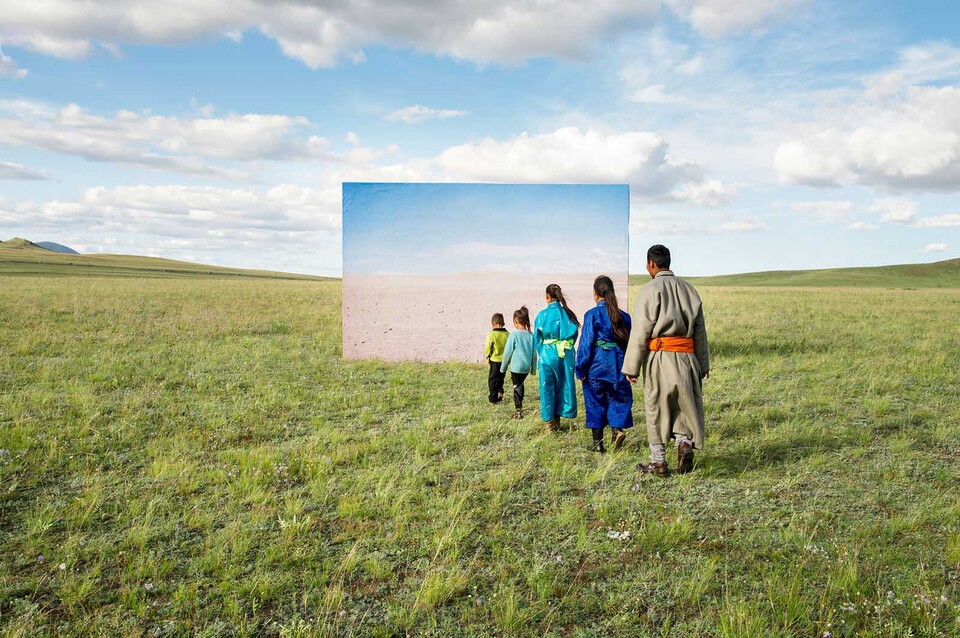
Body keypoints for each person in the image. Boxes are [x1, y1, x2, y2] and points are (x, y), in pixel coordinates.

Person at [623, 245, 710, 476]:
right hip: (687, 357)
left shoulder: (649, 290)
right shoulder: (689, 290)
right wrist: (703, 364)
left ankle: (658, 462)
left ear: (650, 264)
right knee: (684, 405)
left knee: (656, 408)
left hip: (660, 359)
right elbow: (700, 331)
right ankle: (683, 444)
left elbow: (640, 330)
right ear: (668, 262)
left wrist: (632, 366)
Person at [575, 275, 633, 453]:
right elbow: (630, 343)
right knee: (617, 398)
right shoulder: (624, 316)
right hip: (618, 363)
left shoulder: (592, 315)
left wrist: (581, 368)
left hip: (596, 365)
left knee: (595, 401)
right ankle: (616, 430)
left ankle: (597, 444)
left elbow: (586, 343)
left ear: (595, 293)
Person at [534, 284, 580, 430]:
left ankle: (550, 422)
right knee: (564, 385)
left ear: (547, 296)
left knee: (547, 386)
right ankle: (559, 418)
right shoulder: (569, 314)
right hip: (565, 355)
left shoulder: (542, 315)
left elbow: (537, 338)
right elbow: (574, 335)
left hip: (547, 354)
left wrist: (544, 352)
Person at [499, 306, 537, 419]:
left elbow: (507, 352)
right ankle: (519, 408)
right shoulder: (531, 336)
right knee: (520, 385)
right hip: (525, 368)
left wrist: (503, 367)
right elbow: (534, 354)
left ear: (516, 322)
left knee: (516, 387)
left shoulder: (514, 335)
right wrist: (533, 369)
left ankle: (518, 411)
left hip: (516, 367)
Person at [484, 312, 509, 404]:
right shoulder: (507, 334)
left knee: (492, 379)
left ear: (493, 324)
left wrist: (487, 356)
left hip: (494, 360)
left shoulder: (492, 335)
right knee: (501, 378)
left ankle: (493, 398)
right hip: (504, 360)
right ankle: (500, 391)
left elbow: (487, 347)